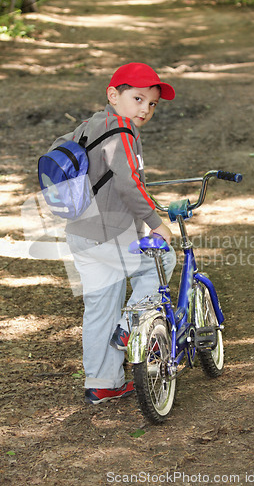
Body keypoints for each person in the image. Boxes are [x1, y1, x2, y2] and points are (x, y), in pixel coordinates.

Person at [50, 63, 176, 404]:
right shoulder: (121, 130)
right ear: (113, 95)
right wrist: (155, 222)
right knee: (163, 257)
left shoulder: (89, 125)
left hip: (81, 234)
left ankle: (103, 382)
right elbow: (129, 183)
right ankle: (131, 327)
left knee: (100, 306)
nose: (144, 109)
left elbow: (57, 152)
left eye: (152, 104)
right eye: (137, 98)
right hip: (110, 235)